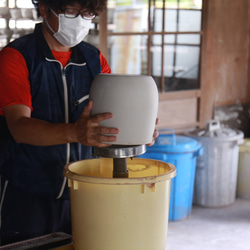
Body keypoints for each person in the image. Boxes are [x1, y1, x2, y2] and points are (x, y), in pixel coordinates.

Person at [0, 0, 158, 246]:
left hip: (84, 189)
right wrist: (75, 132)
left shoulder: (93, 59)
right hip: (27, 194)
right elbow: (19, 127)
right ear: (44, 9)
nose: (81, 21)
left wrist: (136, 129)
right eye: (72, 12)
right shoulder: (17, 57)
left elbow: (108, 119)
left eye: (87, 14)